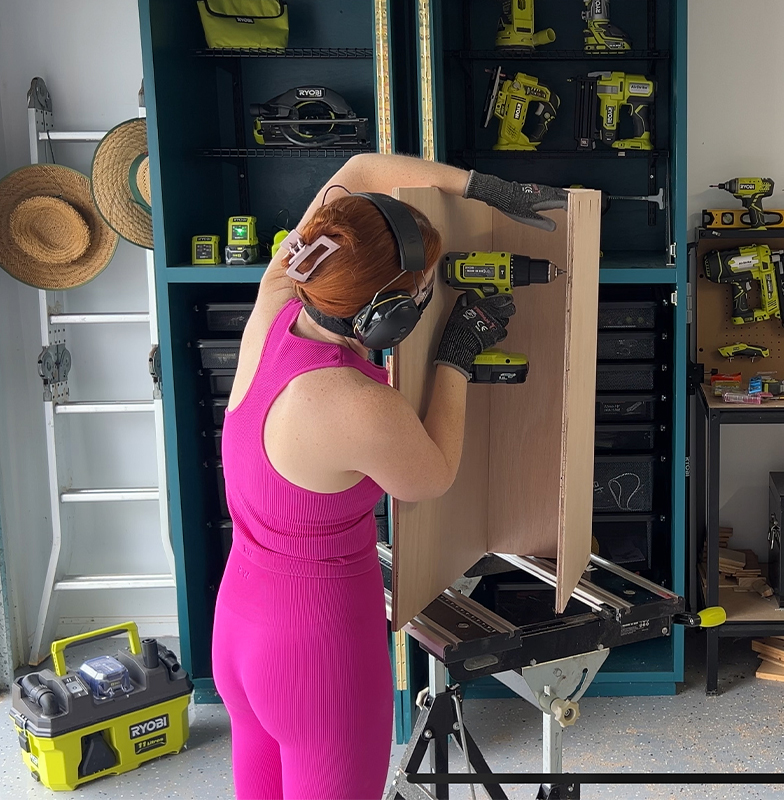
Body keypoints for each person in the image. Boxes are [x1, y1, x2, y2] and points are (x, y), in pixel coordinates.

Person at [211, 153, 567, 799]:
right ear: (386, 318)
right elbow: (428, 478)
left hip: (241, 621)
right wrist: (458, 357)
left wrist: (487, 190)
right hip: (317, 645)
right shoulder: (354, 401)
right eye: (422, 288)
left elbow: (360, 168)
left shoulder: (278, 301)